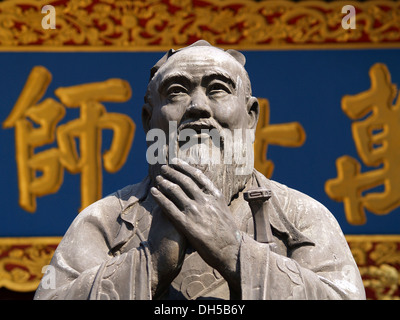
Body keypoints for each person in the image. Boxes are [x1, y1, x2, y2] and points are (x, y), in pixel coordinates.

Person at [34, 40, 365, 300]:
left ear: (250, 116)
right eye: (177, 92)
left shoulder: (300, 214)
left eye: (218, 88)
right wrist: (149, 263)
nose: (198, 107)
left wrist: (234, 251)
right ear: (149, 120)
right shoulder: (106, 220)